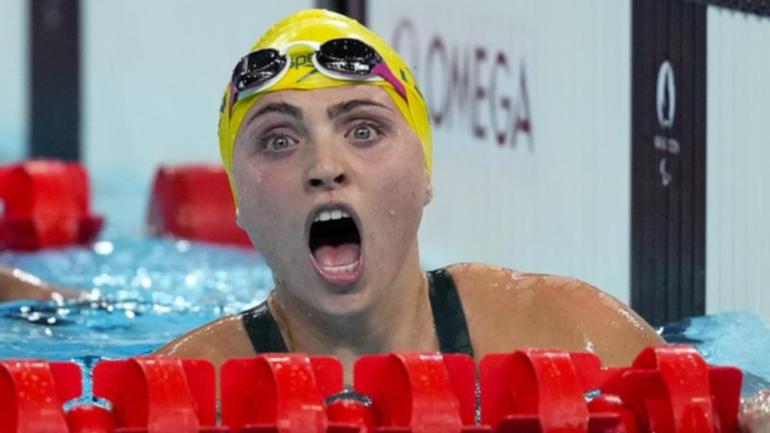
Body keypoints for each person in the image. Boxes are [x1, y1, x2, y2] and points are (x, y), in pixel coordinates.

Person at [155, 9, 663, 376]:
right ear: (238, 201)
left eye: (362, 131)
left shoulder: (569, 334)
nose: (325, 167)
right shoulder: (186, 386)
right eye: (279, 141)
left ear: (425, 173)